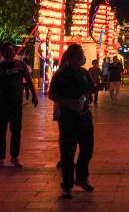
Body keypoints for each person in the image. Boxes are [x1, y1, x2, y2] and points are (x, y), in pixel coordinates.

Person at [49, 43, 95, 199]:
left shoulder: (84, 72)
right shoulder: (61, 74)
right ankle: (67, 185)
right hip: (68, 117)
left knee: (87, 148)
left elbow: (91, 87)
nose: (82, 57)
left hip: (84, 115)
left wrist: (88, 96)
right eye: (79, 55)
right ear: (71, 57)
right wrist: (69, 103)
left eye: (82, 55)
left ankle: (81, 177)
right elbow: (52, 94)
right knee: (68, 152)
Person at [0, 42, 38, 168]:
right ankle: (0, 159)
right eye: (8, 51)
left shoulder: (21, 65)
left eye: (13, 51)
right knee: (1, 132)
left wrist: (34, 95)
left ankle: (15, 157)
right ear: (3, 54)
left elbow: (29, 80)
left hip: (16, 104)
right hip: (1, 104)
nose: (11, 53)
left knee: (16, 131)